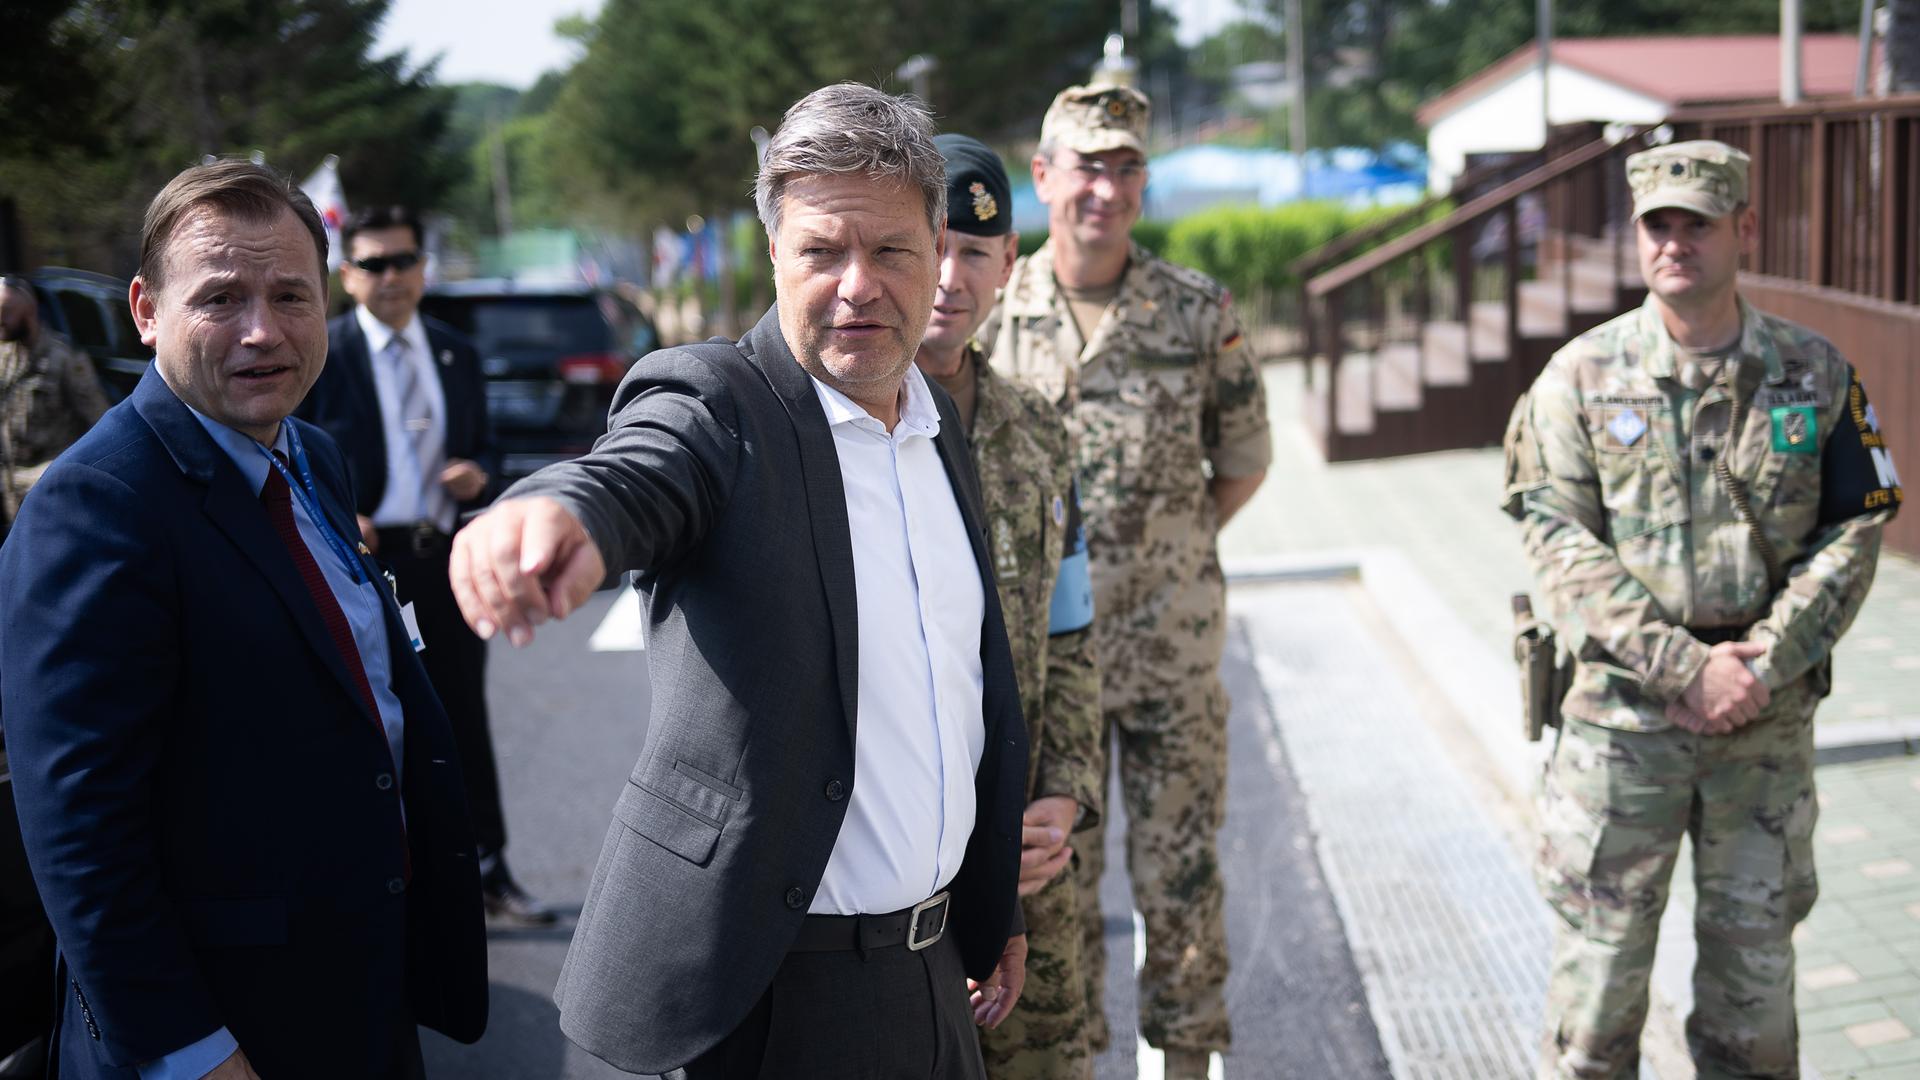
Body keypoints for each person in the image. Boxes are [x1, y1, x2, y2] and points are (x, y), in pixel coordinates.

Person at [447, 83, 1030, 1079]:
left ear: (938, 250)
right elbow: (636, 472)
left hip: (932, 984)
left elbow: (956, 701)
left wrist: (989, 910)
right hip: (750, 1004)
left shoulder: (939, 429)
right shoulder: (720, 404)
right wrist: (556, 514)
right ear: (774, 255)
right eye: (821, 252)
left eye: (890, 250)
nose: (858, 285)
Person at [0, 160, 487, 1080]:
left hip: (355, 994)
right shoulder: (94, 507)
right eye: (220, 297)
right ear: (146, 311)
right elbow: (81, 837)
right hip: (222, 1035)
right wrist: (192, 1053)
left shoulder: (310, 454)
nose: (263, 331)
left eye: (290, 295)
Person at [1503, 140, 1902, 1079]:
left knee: (1753, 1012)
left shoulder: (1817, 371)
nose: (1675, 243)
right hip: (1621, 734)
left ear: (1745, 230)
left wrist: (1762, 662)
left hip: (1761, 730)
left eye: (1699, 224)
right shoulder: (1578, 377)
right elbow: (1558, 544)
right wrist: (1686, 669)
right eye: (1658, 225)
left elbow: (1857, 528)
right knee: (1595, 1013)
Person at [985, 83, 1271, 1077]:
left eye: (1125, 167)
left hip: (1169, 654)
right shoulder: (991, 310)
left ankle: (1187, 1060)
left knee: (1181, 878)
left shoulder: (1196, 313)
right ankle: (1074, 1064)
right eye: (1086, 166)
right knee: (1056, 887)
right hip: (1050, 667)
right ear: (1044, 177)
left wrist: (1163, 549)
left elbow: (1242, 461)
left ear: (1143, 184)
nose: (1104, 188)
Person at [296, 207, 548, 924]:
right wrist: (341, 511)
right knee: (371, 723)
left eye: (403, 261)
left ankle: (488, 868)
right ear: (346, 277)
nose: (391, 277)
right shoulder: (325, 353)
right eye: (373, 264)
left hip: (445, 559)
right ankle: (387, 883)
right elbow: (291, 453)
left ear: (423, 269)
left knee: (461, 716)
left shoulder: (453, 351)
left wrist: (481, 475)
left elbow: (493, 447)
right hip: (361, 564)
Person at [916, 133, 1103, 1080]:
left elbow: (1072, 633)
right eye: (933, 244)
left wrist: (1068, 789)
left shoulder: (1038, 426)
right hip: (890, 873)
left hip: (1025, 863)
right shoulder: (834, 421)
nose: (951, 277)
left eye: (976, 253)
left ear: (1008, 266)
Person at [0, 275, 111, 535]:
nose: (0, 321)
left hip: (53, 492)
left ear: (28, 311)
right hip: (11, 499)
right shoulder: (4, 359)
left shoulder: (63, 358)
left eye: (6, 313)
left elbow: (100, 423)